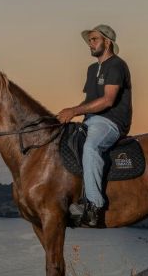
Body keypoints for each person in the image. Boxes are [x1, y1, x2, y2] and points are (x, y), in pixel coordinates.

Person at [57, 24, 133, 227]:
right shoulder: (92, 69)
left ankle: (94, 206)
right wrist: (65, 116)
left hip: (111, 121)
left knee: (91, 148)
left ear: (107, 42)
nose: (90, 44)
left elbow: (108, 100)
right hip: (90, 119)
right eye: (89, 40)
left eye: (94, 39)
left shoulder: (117, 65)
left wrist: (73, 111)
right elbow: (88, 101)